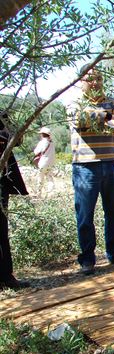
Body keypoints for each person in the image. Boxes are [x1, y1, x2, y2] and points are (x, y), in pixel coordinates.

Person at [70, 64, 114, 275]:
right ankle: (87, 259)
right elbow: (79, 120)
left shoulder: (113, 101)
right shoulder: (75, 102)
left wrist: (100, 119)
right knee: (85, 214)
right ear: (82, 82)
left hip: (111, 164)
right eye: (90, 79)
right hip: (85, 167)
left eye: (98, 78)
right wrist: (107, 117)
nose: (95, 82)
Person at [0, 110, 30, 289]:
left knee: (1, 230)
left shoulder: (2, 117)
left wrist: (6, 120)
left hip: (2, 181)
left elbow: (16, 140)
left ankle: (6, 277)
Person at [33, 126, 56, 197]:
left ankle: (38, 194)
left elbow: (36, 152)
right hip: (51, 162)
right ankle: (50, 194)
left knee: (40, 178)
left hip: (43, 162)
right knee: (50, 178)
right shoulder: (51, 143)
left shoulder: (42, 142)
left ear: (42, 134)